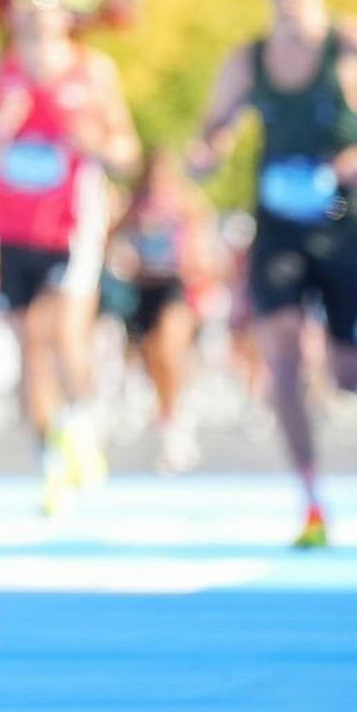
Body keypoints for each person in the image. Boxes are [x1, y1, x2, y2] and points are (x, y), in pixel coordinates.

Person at [188, 0, 357, 547]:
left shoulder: (354, 44)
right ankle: (312, 497)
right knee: (283, 359)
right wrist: (206, 153)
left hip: (346, 226)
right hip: (279, 229)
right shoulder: (248, 59)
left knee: (349, 374)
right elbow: (213, 128)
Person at [0, 0, 139, 512]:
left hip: (72, 223)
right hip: (13, 227)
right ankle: (49, 457)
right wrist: (1, 130)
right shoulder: (0, 74)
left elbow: (127, 151)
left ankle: (82, 425)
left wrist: (91, 139)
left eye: (52, 4)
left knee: (60, 334)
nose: (40, 13)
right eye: (30, 2)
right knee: (30, 348)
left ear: (69, 16)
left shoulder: (92, 71)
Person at [112, 148, 215, 473]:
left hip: (176, 285)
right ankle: (167, 415)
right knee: (152, 357)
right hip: (144, 286)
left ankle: (178, 422)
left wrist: (198, 259)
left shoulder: (186, 202)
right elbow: (112, 233)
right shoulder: (135, 203)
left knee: (170, 349)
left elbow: (203, 238)